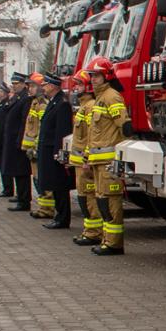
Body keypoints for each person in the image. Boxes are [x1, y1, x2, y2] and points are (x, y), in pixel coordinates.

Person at [80, 58, 131, 256]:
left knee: (110, 202)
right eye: (91, 76)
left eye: (97, 76)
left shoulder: (111, 97)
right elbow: (95, 133)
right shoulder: (100, 98)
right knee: (102, 201)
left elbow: (124, 127)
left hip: (108, 162)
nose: (93, 79)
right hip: (98, 161)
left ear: (107, 76)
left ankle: (114, 243)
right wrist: (87, 156)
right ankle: (107, 240)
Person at [34, 73, 75, 230]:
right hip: (48, 150)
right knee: (54, 185)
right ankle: (59, 217)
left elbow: (62, 132)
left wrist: (60, 153)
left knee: (60, 186)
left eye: (45, 85)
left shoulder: (62, 104)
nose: (43, 88)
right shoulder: (54, 102)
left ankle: (63, 218)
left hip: (55, 152)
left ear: (52, 86)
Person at [70, 74, 100, 245]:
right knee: (84, 197)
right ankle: (89, 231)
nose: (76, 88)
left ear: (88, 87)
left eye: (80, 85)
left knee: (89, 197)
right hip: (79, 162)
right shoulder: (84, 106)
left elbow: (91, 135)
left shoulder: (90, 106)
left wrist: (87, 158)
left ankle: (94, 232)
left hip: (84, 163)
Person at [0, 72, 34, 212]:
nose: (13, 86)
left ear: (23, 84)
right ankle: (20, 197)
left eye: (16, 84)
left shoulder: (25, 99)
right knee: (16, 170)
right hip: (13, 140)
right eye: (12, 84)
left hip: (19, 141)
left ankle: (24, 200)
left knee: (21, 172)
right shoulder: (17, 97)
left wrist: (21, 141)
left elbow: (24, 122)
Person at [21, 73, 51, 218]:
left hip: (37, 150)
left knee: (42, 180)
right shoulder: (34, 103)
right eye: (29, 86)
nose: (29, 89)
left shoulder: (42, 104)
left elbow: (42, 128)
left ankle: (48, 209)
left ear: (40, 87)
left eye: (32, 86)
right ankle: (43, 207)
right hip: (32, 150)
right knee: (37, 180)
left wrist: (36, 148)